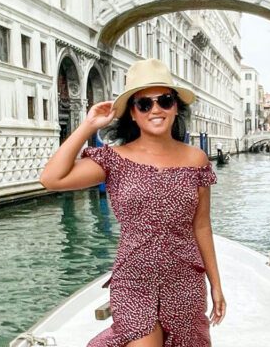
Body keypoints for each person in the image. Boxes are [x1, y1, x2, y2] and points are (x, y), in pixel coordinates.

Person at [39, 58, 226, 346]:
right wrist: (88, 126)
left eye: (164, 100)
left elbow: (201, 226)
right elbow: (52, 179)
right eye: (144, 104)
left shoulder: (196, 159)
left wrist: (216, 284)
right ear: (132, 113)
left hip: (185, 278)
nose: (156, 110)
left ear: (176, 107)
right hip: (135, 278)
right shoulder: (114, 160)